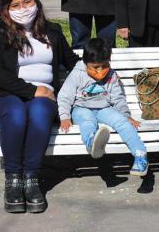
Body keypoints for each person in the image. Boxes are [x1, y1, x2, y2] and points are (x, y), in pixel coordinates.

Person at [0, 0, 79, 214]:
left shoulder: (52, 31)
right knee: (16, 114)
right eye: (15, 5)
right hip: (4, 95)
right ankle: (13, 179)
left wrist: (97, 68)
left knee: (38, 113)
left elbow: (71, 61)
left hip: (43, 97)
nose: (23, 8)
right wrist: (32, 90)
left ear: (36, 2)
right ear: (6, 9)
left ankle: (31, 178)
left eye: (27, 2)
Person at [57, 37, 148, 176]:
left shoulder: (111, 76)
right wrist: (64, 117)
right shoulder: (76, 74)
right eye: (95, 67)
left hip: (104, 108)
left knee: (122, 122)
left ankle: (140, 155)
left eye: (104, 66)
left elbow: (118, 98)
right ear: (85, 63)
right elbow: (65, 96)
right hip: (81, 108)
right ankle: (91, 143)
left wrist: (126, 115)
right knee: (87, 120)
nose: (100, 71)